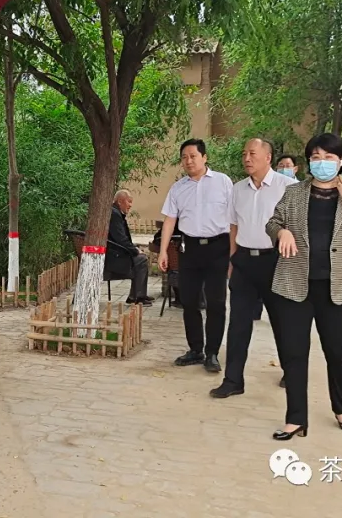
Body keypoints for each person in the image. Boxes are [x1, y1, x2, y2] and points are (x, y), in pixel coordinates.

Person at [265, 133, 342, 440]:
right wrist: (282, 232)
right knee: (294, 352)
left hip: (335, 288)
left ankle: (341, 408)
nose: (322, 163)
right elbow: (272, 222)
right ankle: (295, 418)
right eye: (316, 157)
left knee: (337, 352)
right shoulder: (294, 192)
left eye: (329, 157)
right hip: (294, 284)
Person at [211, 138, 296, 399]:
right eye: (244, 154)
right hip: (244, 262)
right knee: (238, 323)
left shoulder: (287, 187)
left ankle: (291, 372)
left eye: (253, 153)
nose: (247, 158)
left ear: (268, 157)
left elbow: (295, 228)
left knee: (283, 322)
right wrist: (232, 259)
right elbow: (233, 226)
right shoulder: (238, 189)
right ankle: (233, 380)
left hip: (276, 262)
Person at [158, 139, 233, 373]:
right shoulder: (178, 188)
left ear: (204, 157)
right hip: (189, 249)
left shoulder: (223, 182)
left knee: (216, 302)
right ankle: (195, 350)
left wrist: (234, 251)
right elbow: (170, 220)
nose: (188, 161)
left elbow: (234, 219)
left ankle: (212, 353)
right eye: (184, 157)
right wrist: (163, 250)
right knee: (189, 301)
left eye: (193, 156)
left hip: (218, 248)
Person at [107, 190, 152, 306]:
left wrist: (134, 249)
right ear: (120, 201)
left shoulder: (115, 212)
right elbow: (121, 239)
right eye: (129, 201)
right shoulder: (114, 214)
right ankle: (138, 297)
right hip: (113, 258)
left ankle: (135, 296)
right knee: (141, 259)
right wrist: (135, 250)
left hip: (114, 253)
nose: (131, 205)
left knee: (140, 257)